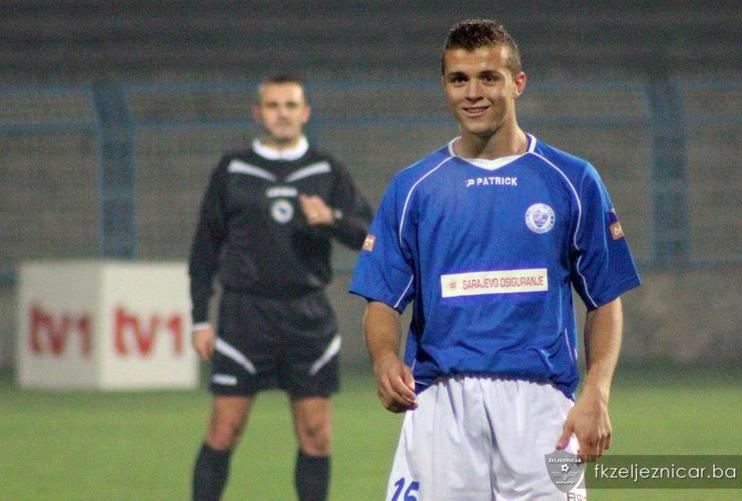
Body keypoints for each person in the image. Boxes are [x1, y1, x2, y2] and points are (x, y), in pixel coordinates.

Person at [349, 19, 641, 500]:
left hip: (542, 408)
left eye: (489, 77)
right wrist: (383, 359)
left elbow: (604, 297)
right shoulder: (414, 187)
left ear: (517, 83)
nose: (473, 93)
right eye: (458, 79)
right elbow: (381, 297)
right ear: (444, 86)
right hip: (441, 405)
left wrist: (597, 392)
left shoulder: (571, 179)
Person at [189, 74, 372, 501]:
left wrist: (332, 220)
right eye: (273, 105)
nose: (282, 114)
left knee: (316, 435)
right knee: (223, 429)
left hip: (306, 316)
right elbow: (204, 250)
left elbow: (370, 236)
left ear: (305, 113)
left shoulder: (326, 170)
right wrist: (200, 318)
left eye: (290, 105)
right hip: (243, 316)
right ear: (258, 113)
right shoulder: (233, 169)